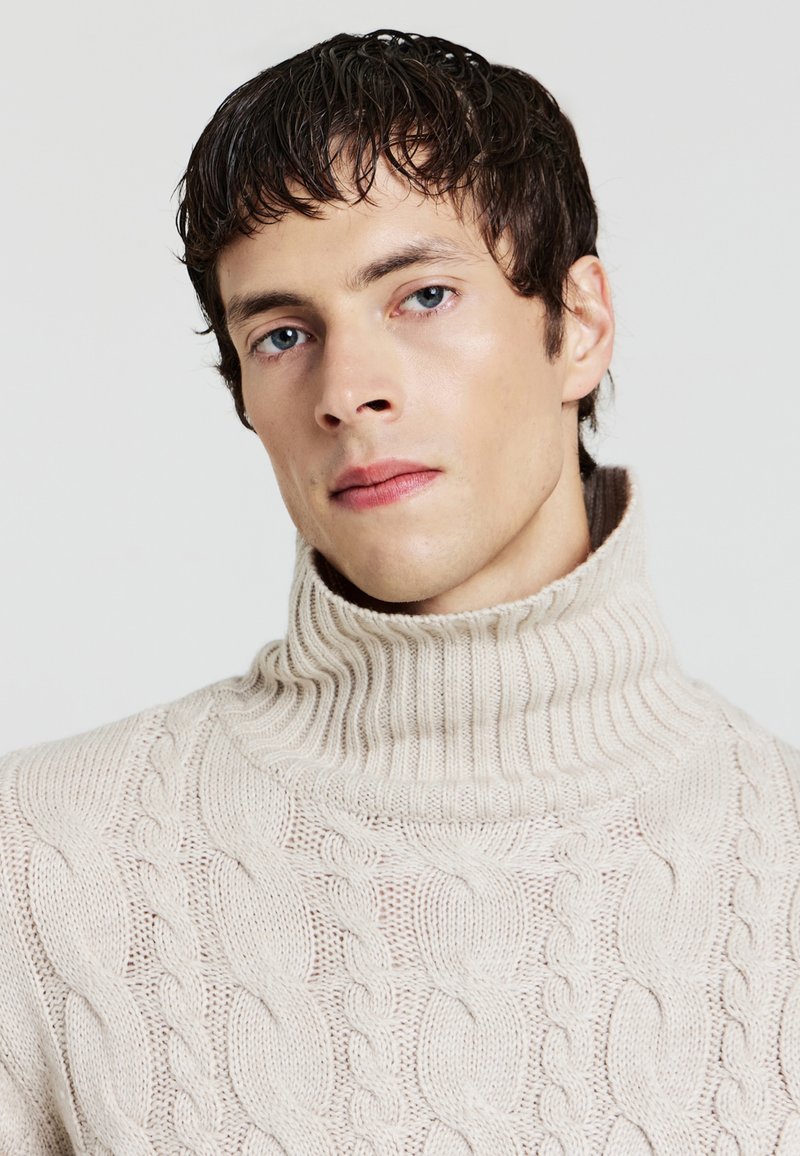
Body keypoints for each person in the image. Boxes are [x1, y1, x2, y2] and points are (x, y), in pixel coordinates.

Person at [1, 27, 798, 1154]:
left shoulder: (777, 857)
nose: (348, 389)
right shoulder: (42, 864)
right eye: (283, 333)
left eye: (422, 296)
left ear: (578, 326)